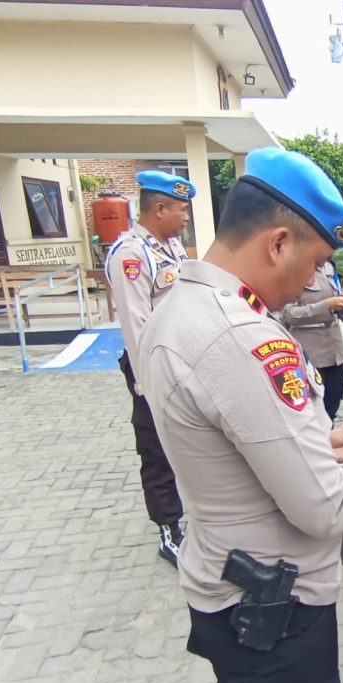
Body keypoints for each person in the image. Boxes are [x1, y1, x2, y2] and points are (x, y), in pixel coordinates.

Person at [137, 147, 343, 683]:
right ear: (276, 243)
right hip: (275, 610)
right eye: (316, 262)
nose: (311, 283)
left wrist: (322, 443)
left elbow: (235, 445)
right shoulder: (240, 335)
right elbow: (323, 506)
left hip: (236, 587)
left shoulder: (183, 303)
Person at [104, 169, 195, 567]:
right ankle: (169, 530)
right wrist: (149, 383)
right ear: (159, 209)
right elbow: (136, 326)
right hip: (153, 365)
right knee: (156, 448)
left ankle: (191, 515)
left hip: (183, 359)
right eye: (181, 209)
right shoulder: (131, 255)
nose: (186, 217)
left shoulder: (171, 246)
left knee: (185, 441)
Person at [277, 257, 343, 421]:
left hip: (335, 352)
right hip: (311, 353)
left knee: (332, 407)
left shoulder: (329, 267)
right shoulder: (294, 269)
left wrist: (342, 302)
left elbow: (334, 297)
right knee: (312, 414)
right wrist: (326, 305)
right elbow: (288, 315)